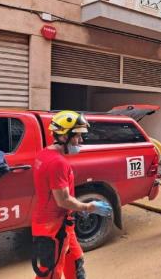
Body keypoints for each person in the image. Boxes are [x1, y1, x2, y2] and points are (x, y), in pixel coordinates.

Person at [31, 110, 113, 279]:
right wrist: (89, 206)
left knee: (76, 261)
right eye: (77, 136)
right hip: (53, 228)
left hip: (62, 224)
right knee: (50, 273)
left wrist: (76, 208)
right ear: (63, 136)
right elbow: (63, 200)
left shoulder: (44, 154)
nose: (81, 141)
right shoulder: (57, 163)